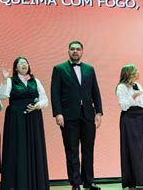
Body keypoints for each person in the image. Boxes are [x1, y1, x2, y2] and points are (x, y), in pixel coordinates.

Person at [50, 41, 103, 190]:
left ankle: (89, 181)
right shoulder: (59, 69)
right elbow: (55, 93)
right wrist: (58, 113)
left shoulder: (89, 69)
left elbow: (95, 91)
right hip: (68, 116)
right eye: (72, 49)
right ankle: (75, 183)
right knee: (72, 150)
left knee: (88, 149)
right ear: (68, 51)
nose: (75, 51)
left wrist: (98, 112)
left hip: (87, 115)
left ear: (82, 52)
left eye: (78, 49)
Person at [0, 56, 49, 190]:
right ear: (16, 68)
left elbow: (45, 100)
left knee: (34, 147)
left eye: (26, 63)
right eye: (21, 63)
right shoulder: (10, 81)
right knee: (18, 148)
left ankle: (35, 184)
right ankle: (16, 184)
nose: (24, 65)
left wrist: (37, 105)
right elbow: (2, 96)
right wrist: (4, 79)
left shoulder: (35, 81)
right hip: (16, 119)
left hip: (34, 118)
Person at [115, 64, 143, 189]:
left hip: (141, 116)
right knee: (132, 148)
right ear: (129, 74)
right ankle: (133, 181)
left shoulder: (137, 85)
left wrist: (138, 97)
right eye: (136, 71)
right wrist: (133, 96)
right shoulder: (121, 87)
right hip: (129, 118)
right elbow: (123, 105)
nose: (138, 72)